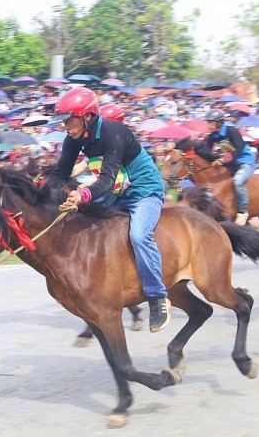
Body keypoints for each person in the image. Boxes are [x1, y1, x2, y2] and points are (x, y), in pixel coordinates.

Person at [45, 87, 170, 333]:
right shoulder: (73, 139)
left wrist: (82, 195)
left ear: (86, 116)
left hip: (144, 192)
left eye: (68, 120)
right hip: (117, 192)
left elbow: (106, 179)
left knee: (139, 236)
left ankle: (157, 297)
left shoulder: (114, 132)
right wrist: (37, 196)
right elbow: (60, 174)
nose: (65, 127)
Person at [205, 109, 257, 225]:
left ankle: (242, 212)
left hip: (244, 162)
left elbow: (239, 149)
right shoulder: (213, 135)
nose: (209, 125)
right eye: (208, 122)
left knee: (238, 182)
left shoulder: (231, 130)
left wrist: (223, 160)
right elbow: (206, 151)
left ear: (219, 122)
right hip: (231, 163)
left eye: (211, 122)